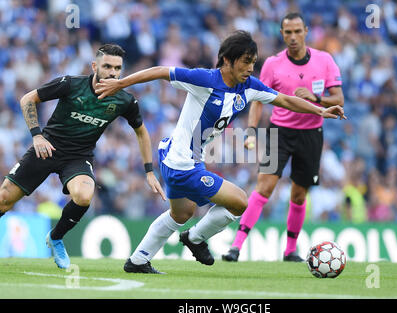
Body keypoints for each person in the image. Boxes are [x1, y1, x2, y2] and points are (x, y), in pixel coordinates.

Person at [95, 30, 346, 274]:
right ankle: (195, 238)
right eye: (246, 62)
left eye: (253, 62)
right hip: (181, 163)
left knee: (181, 213)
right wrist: (121, 84)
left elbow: (285, 99)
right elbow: (161, 71)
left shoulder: (248, 87)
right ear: (227, 60)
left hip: (184, 160)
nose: (250, 68)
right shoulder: (205, 80)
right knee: (239, 201)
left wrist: (320, 111)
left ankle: (138, 260)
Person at [0, 44, 165, 269]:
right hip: (47, 147)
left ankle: (56, 237)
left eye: (117, 68)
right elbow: (27, 99)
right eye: (107, 66)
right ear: (94, 66)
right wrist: (37, 136)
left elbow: (142, 132)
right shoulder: (70, 84)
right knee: (4, 199)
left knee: (85, 195)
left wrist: (148, 171)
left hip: (78, 156)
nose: (112, 73)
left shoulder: (125, 101)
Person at [222, 13, 345, 263]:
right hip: (279, 132)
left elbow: (339, 100)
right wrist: (252, 131)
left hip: (311, 134)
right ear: (281, 34)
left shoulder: (325, 61)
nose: (293, 37)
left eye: (297, 31)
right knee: (264, 187)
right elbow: (257, 99)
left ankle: (290, 251)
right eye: (288, 32)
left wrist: (315, 98)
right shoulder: (273, 64)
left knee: (299, 195)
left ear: (306, 31)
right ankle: (235, 247)